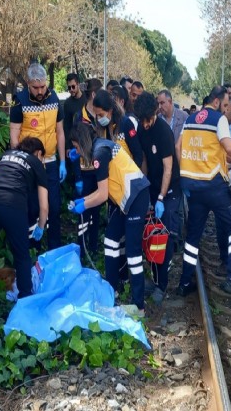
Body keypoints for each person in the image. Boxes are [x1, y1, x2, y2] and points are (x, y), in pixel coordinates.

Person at [177, 85, 231, 297]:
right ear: (218, 101)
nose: (228, 108)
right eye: (227, 104)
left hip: (193, 186)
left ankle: (184, 283)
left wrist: (185, 171)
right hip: (214, 185)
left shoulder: (190, 118)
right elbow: (229, 148)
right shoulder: (218, 119)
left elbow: (178, 147)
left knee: (193, 236)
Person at [69, 122, 151, 311]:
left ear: (82, 142)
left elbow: (102, 195)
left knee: (132, 253)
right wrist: (81, 201)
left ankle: (138, 306)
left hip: (136, 198)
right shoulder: (101, 146)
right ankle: (111, 290)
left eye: (76, 148)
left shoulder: (100, 154)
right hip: (125, 200)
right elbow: (101, 192)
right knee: (111, 241)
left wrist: (84, 204)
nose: (78, 153)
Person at [0, 137, 49, 300]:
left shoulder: (6, 155)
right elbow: (44, 206)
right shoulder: (36, 162)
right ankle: (25, 300)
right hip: (13, 205)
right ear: (38, 153)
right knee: (22, 256)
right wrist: (40, 226)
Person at [9, 63, 66, 251]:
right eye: (36, 88)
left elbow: (60, 132)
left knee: (54, 207)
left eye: (43, 86)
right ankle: (34, 248)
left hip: (50, 162)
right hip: (30, 165)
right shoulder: (19, 101)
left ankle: (54, 249)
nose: (41, 91)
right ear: (28, 84)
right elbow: (14, 137)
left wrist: (63, 161)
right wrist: (21, 164)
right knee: (33, 207)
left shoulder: (54, 98)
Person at [135, 93, 182, 304]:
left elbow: (168, 167)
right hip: (153, 186)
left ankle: (162, 284)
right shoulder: (140, 128)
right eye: (141, 120)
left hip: (169, 190)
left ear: (154, 113)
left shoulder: (163, 131)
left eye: (147, 120)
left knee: (163, 236)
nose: (145, 124)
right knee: (150, 233)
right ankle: (154, 276)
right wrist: (143, 186)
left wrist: (161, 197)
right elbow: (144, 159)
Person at [72, 78, 103, 258]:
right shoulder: (79, 115)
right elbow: (75, 143)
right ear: (93, 95)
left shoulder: (102, 115)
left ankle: (93, 247)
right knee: (83, 211)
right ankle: (82, 249)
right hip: (84, 172)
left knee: (96, 212)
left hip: (98, 172)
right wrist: (77, 177)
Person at [92, 90, 143, 167]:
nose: (99, 118)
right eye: (97, 115)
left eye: (101, 115)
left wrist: (133, 174)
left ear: (110, 110)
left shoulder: (125, 124)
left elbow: (138, 154)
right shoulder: (99, 128)